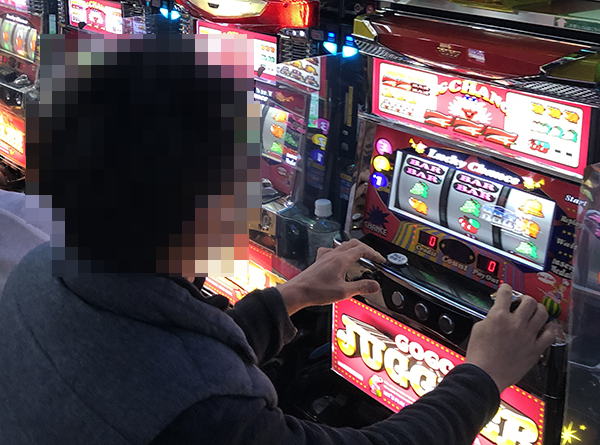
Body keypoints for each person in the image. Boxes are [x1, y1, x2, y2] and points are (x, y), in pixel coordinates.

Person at [0, 34, 557, 445]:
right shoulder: (206, 414)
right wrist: (485, 376)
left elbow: (159, 363)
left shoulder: (44, 270)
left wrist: (292, 296)